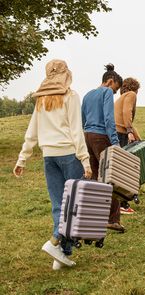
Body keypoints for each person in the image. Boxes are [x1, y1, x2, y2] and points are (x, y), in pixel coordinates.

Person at [13, 59, 92, 270]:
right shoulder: (71, 96)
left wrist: (23, 158)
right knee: (73, 205)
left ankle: (61, 256)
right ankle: (55, 241)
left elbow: (32, 132)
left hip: (49, 157)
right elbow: (76, 130)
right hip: (69, 155)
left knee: (59, 205)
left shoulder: (41, 100)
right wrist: (85, 160)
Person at [82, 63, 125, 232]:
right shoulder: (106, 92)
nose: (114, 93)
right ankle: (112, 219)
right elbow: (108, 118)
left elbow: (82, 117)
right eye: (115, 89)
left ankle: (92, 218)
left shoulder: (87, 94)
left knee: (93, 177)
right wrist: (115, 143)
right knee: (111, 176)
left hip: (87, 136)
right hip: (101, 137)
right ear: (110, 81)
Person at [114, 77, 141, 214]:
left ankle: (118, 203)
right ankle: (123, 204)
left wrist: (138, 137)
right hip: (121, 134)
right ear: (135, 88)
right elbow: (126, 113)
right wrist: (130, 132)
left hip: (116, 132)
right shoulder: (131, 95)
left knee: (118, 168)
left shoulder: (122, 97)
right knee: (124, 169)